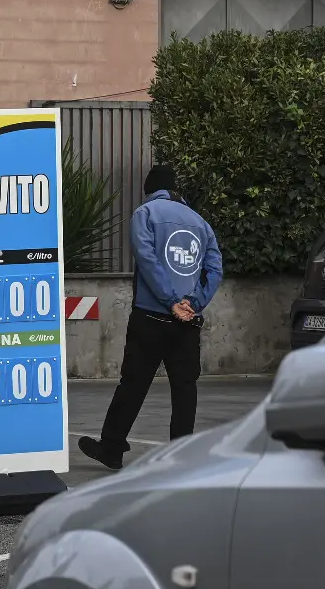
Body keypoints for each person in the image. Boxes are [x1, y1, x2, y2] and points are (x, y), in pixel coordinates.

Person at [79, 165, 222, 471]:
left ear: (150, 190)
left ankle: (112, 448)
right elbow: (215, 270)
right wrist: (193, 303)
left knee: (133, 384)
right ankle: (181, 457)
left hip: (151, 318)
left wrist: (170, 302)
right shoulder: (201, 223)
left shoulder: (145, 214)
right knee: (185, 388)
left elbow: (147, 259)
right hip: (188, 322)